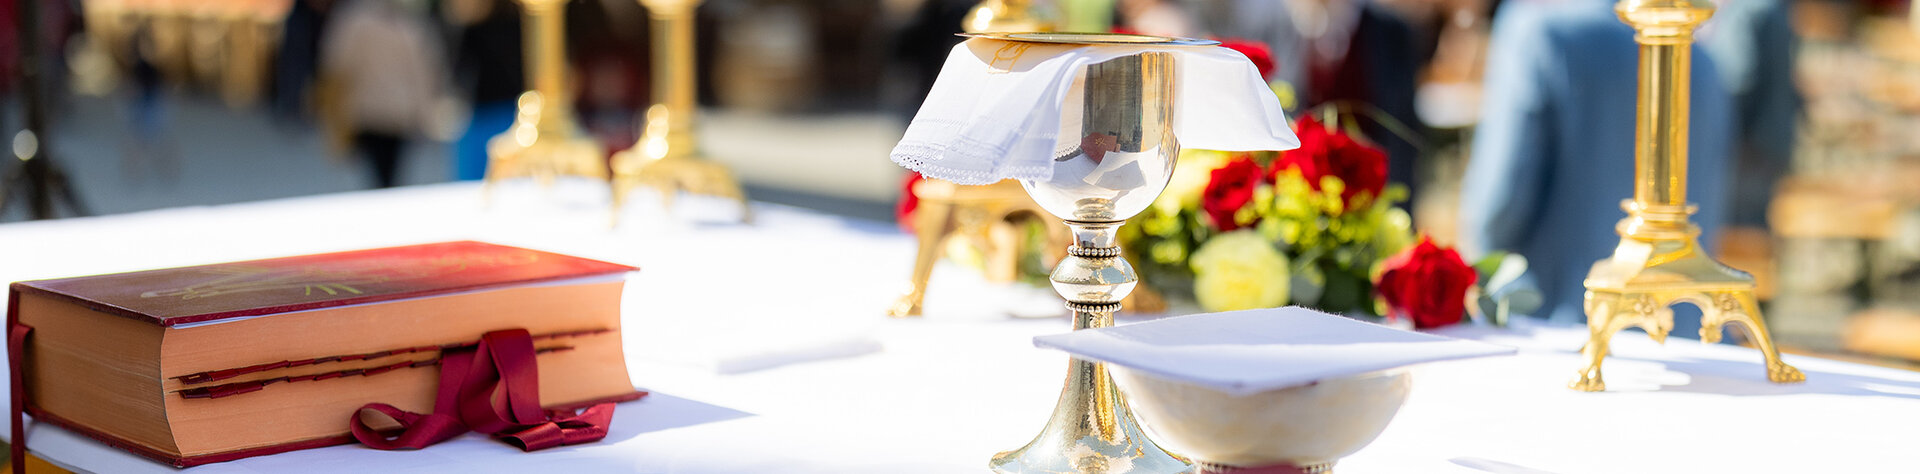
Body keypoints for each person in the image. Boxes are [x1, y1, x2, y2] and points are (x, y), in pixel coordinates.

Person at [1458, 0, 1733, 335]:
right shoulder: (1703, 58)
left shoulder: (1539, 31)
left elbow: (1498, 203)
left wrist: (1483, 276)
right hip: (1687, 328)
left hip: (1564, 325)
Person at [319, 0, 446, 188]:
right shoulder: (408, 25)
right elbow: (424, 74)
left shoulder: (355, 21)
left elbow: (336, 64)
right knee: (388, 173)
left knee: (380, 174)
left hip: (372, 111)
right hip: (393, 112)